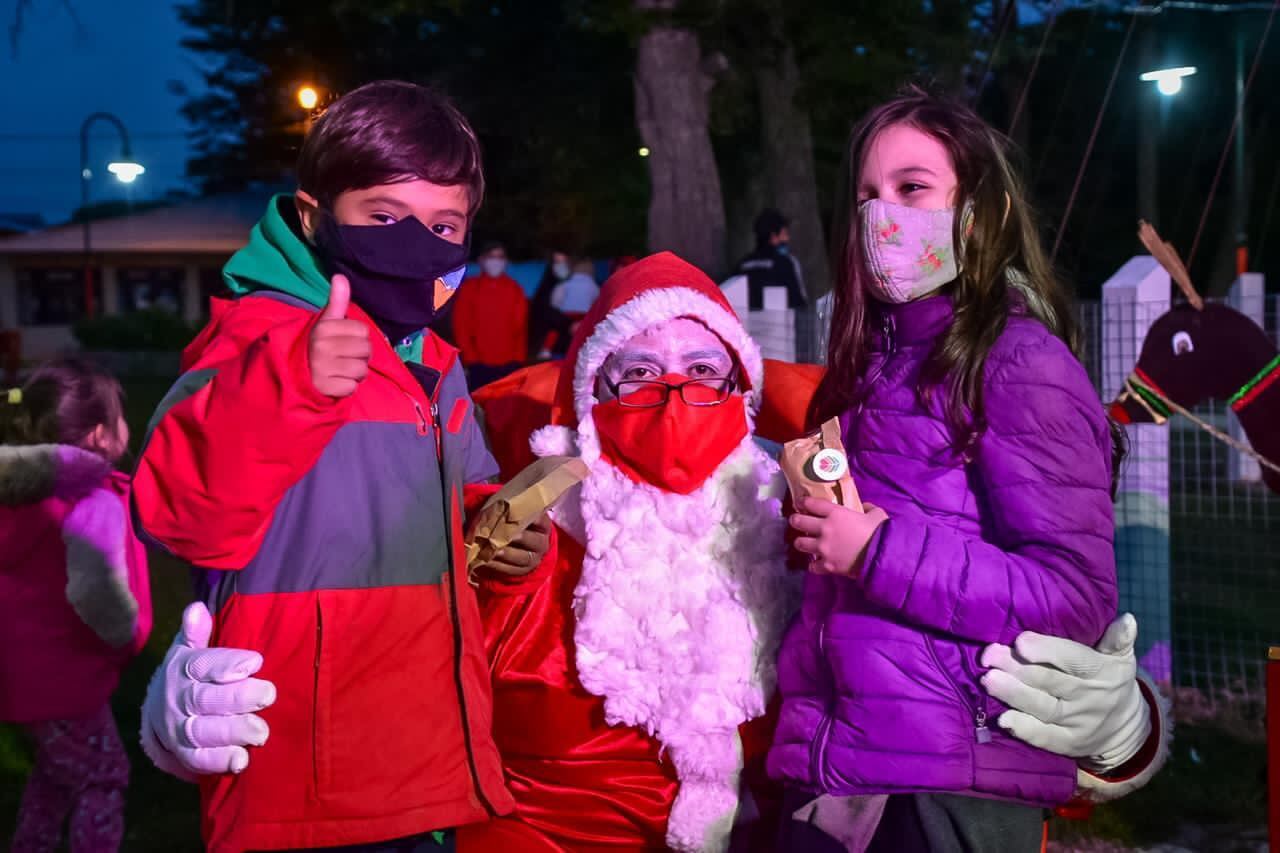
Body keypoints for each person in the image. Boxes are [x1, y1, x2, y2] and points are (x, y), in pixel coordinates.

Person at [470, 254, 1169, 851]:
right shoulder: (532, 542)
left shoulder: (812, 528)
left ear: (741, 393)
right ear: (592, 392)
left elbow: (936, 673)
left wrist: (1123, 732)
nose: (674, 394)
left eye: (703, 368)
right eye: (639, 371)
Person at [131, 81, 553, 853]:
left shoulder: (434, 357)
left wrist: (504, 531)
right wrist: (290, 385)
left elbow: (461, 491)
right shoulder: (257, 338)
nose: (417, 243)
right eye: (385, 217)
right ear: (312, 214)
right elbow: (181, 512)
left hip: (426, 756)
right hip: (300, 770)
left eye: (444, 224)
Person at [769, 89, 1134, 851]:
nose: (882, 216)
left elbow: (1073, 594)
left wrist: (877, 551)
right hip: (843, 768)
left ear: (978, 213)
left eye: (912, 189)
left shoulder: (1021, 364)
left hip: (953, 780)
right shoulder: (868, 371)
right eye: (868, 195)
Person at [0, 358, 151, 853]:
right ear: (98, 436)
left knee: (55, 774)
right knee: (102, 779)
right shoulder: (93, 499)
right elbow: (95, 591)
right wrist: (126, 639)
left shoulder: (17, 495)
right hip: (68, 685)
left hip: (19, 682)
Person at [452, 241, 530, 386]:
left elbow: (520, 328)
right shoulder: (469, 289)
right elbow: (461, 326)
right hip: (478, 363)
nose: (496, 261)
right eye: (491, 256)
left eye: (500, 257)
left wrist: (519, 360)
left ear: (506, 261)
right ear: (481, 260)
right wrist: (470, 359)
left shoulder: (515, 289)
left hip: (510, 363)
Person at [734, 209, 807, 312]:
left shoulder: (742, 265)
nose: (787, 239)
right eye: (785, 234)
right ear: (773, 236)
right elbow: (799, 304)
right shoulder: (787, 263)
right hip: (782, 325)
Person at [528, 249, 572, 360]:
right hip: (548, 348)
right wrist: (569, 322)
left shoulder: (577, 284)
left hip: (570, 346)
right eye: (557, 262)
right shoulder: (546, 288)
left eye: (564, 261)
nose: (561, 266)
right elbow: (543, 312)